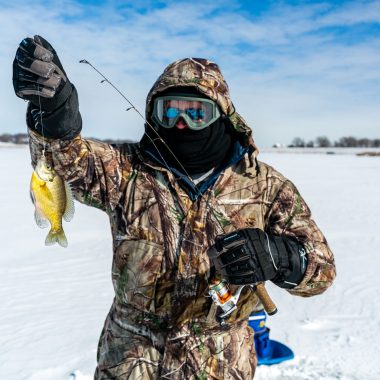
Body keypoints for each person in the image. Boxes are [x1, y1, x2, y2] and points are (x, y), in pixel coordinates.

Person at [13, 35, 336, 379]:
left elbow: (322, 271)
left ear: (222, 115)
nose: (181, 124)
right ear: (154, 114)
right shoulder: (125, 169)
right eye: (169, 112)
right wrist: (53, 114)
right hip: (129, 361)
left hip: (221, 365)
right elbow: (61, 164)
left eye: (197, 113)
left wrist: (281, 257)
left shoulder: (267, 185)